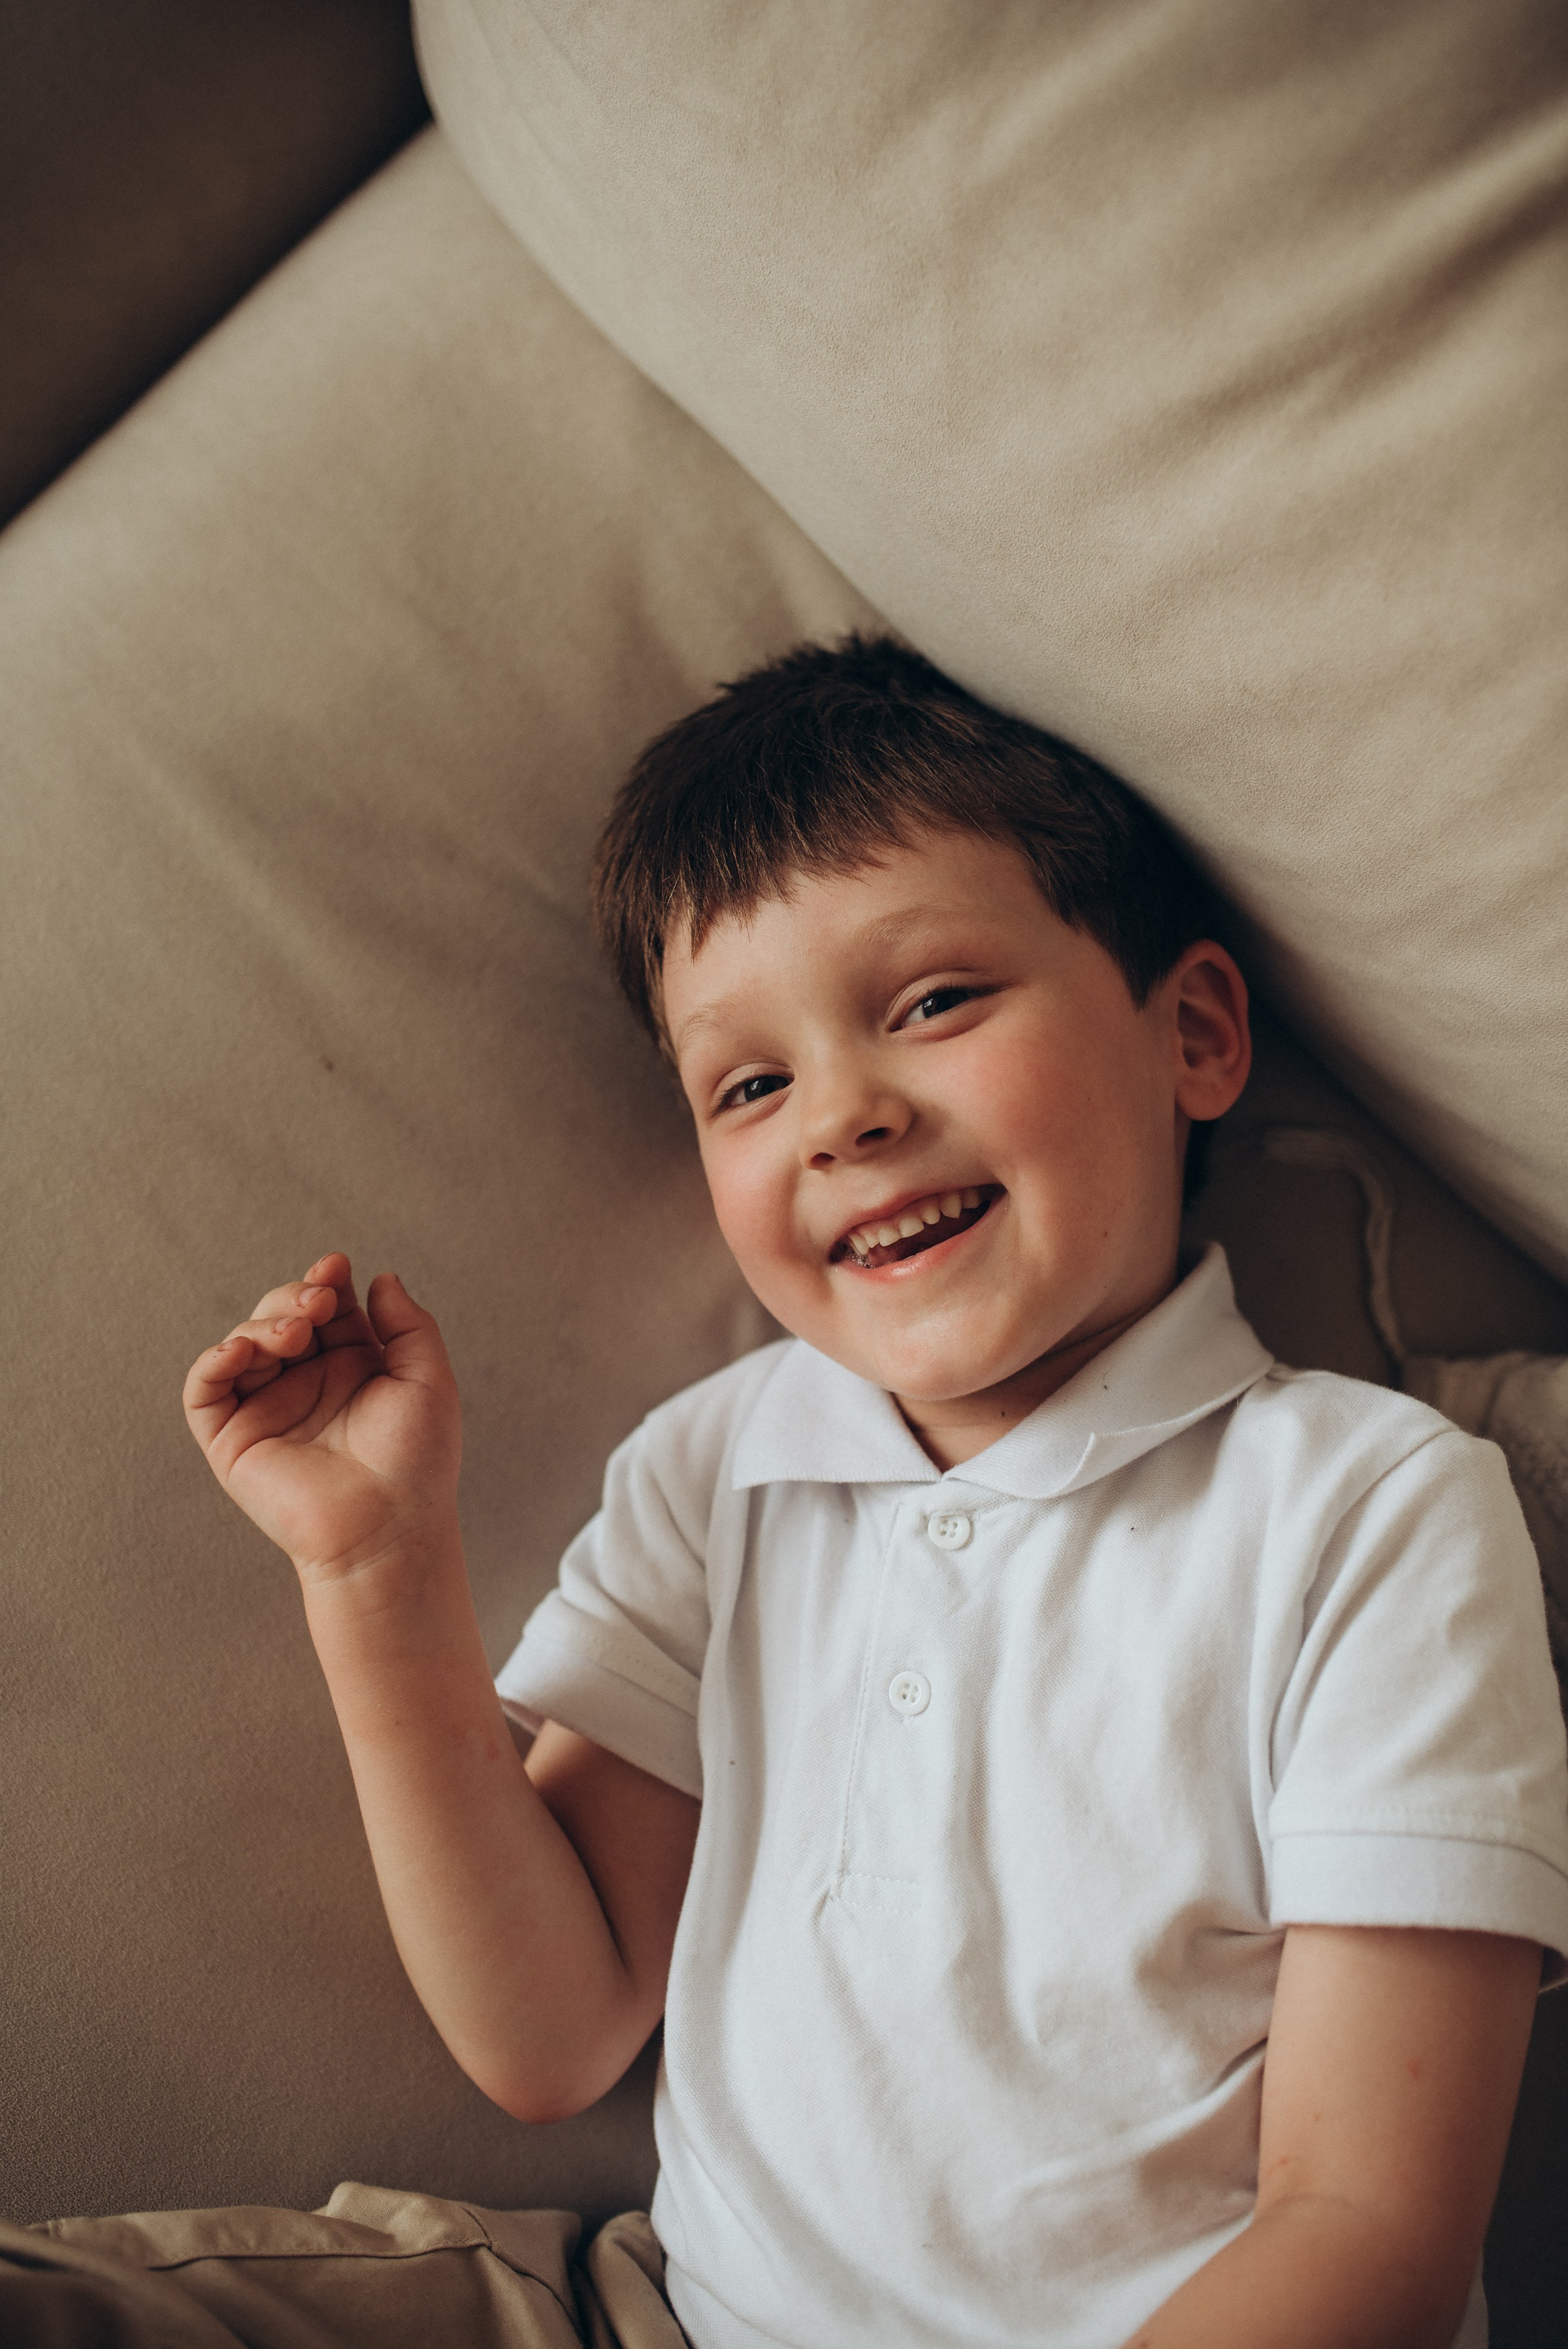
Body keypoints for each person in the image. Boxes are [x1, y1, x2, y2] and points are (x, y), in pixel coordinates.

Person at [31, 639, 1568, 2348]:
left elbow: (1370, 2230)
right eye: (750, 1084)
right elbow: (554, 2031)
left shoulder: (1373, 1515)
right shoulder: (720, 1469)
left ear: (1194, 1033)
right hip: (662, 2313)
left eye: (933, 1001)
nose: (842, 1113)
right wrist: (379, 1571)